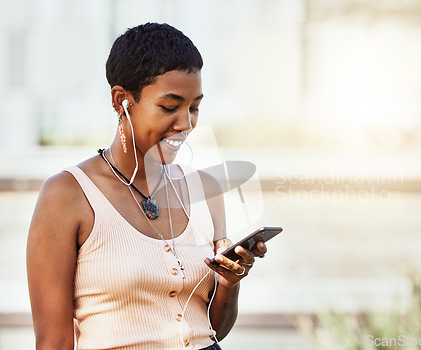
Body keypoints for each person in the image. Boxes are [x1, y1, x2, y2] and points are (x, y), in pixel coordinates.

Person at [26, 22, 267, 350]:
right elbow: (53, 342)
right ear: (122, 100)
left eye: (194, 107)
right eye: (170, 107)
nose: (186, 124)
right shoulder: (67, 196)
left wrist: (229, 282)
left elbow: (213, 330)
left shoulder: (204, 190)